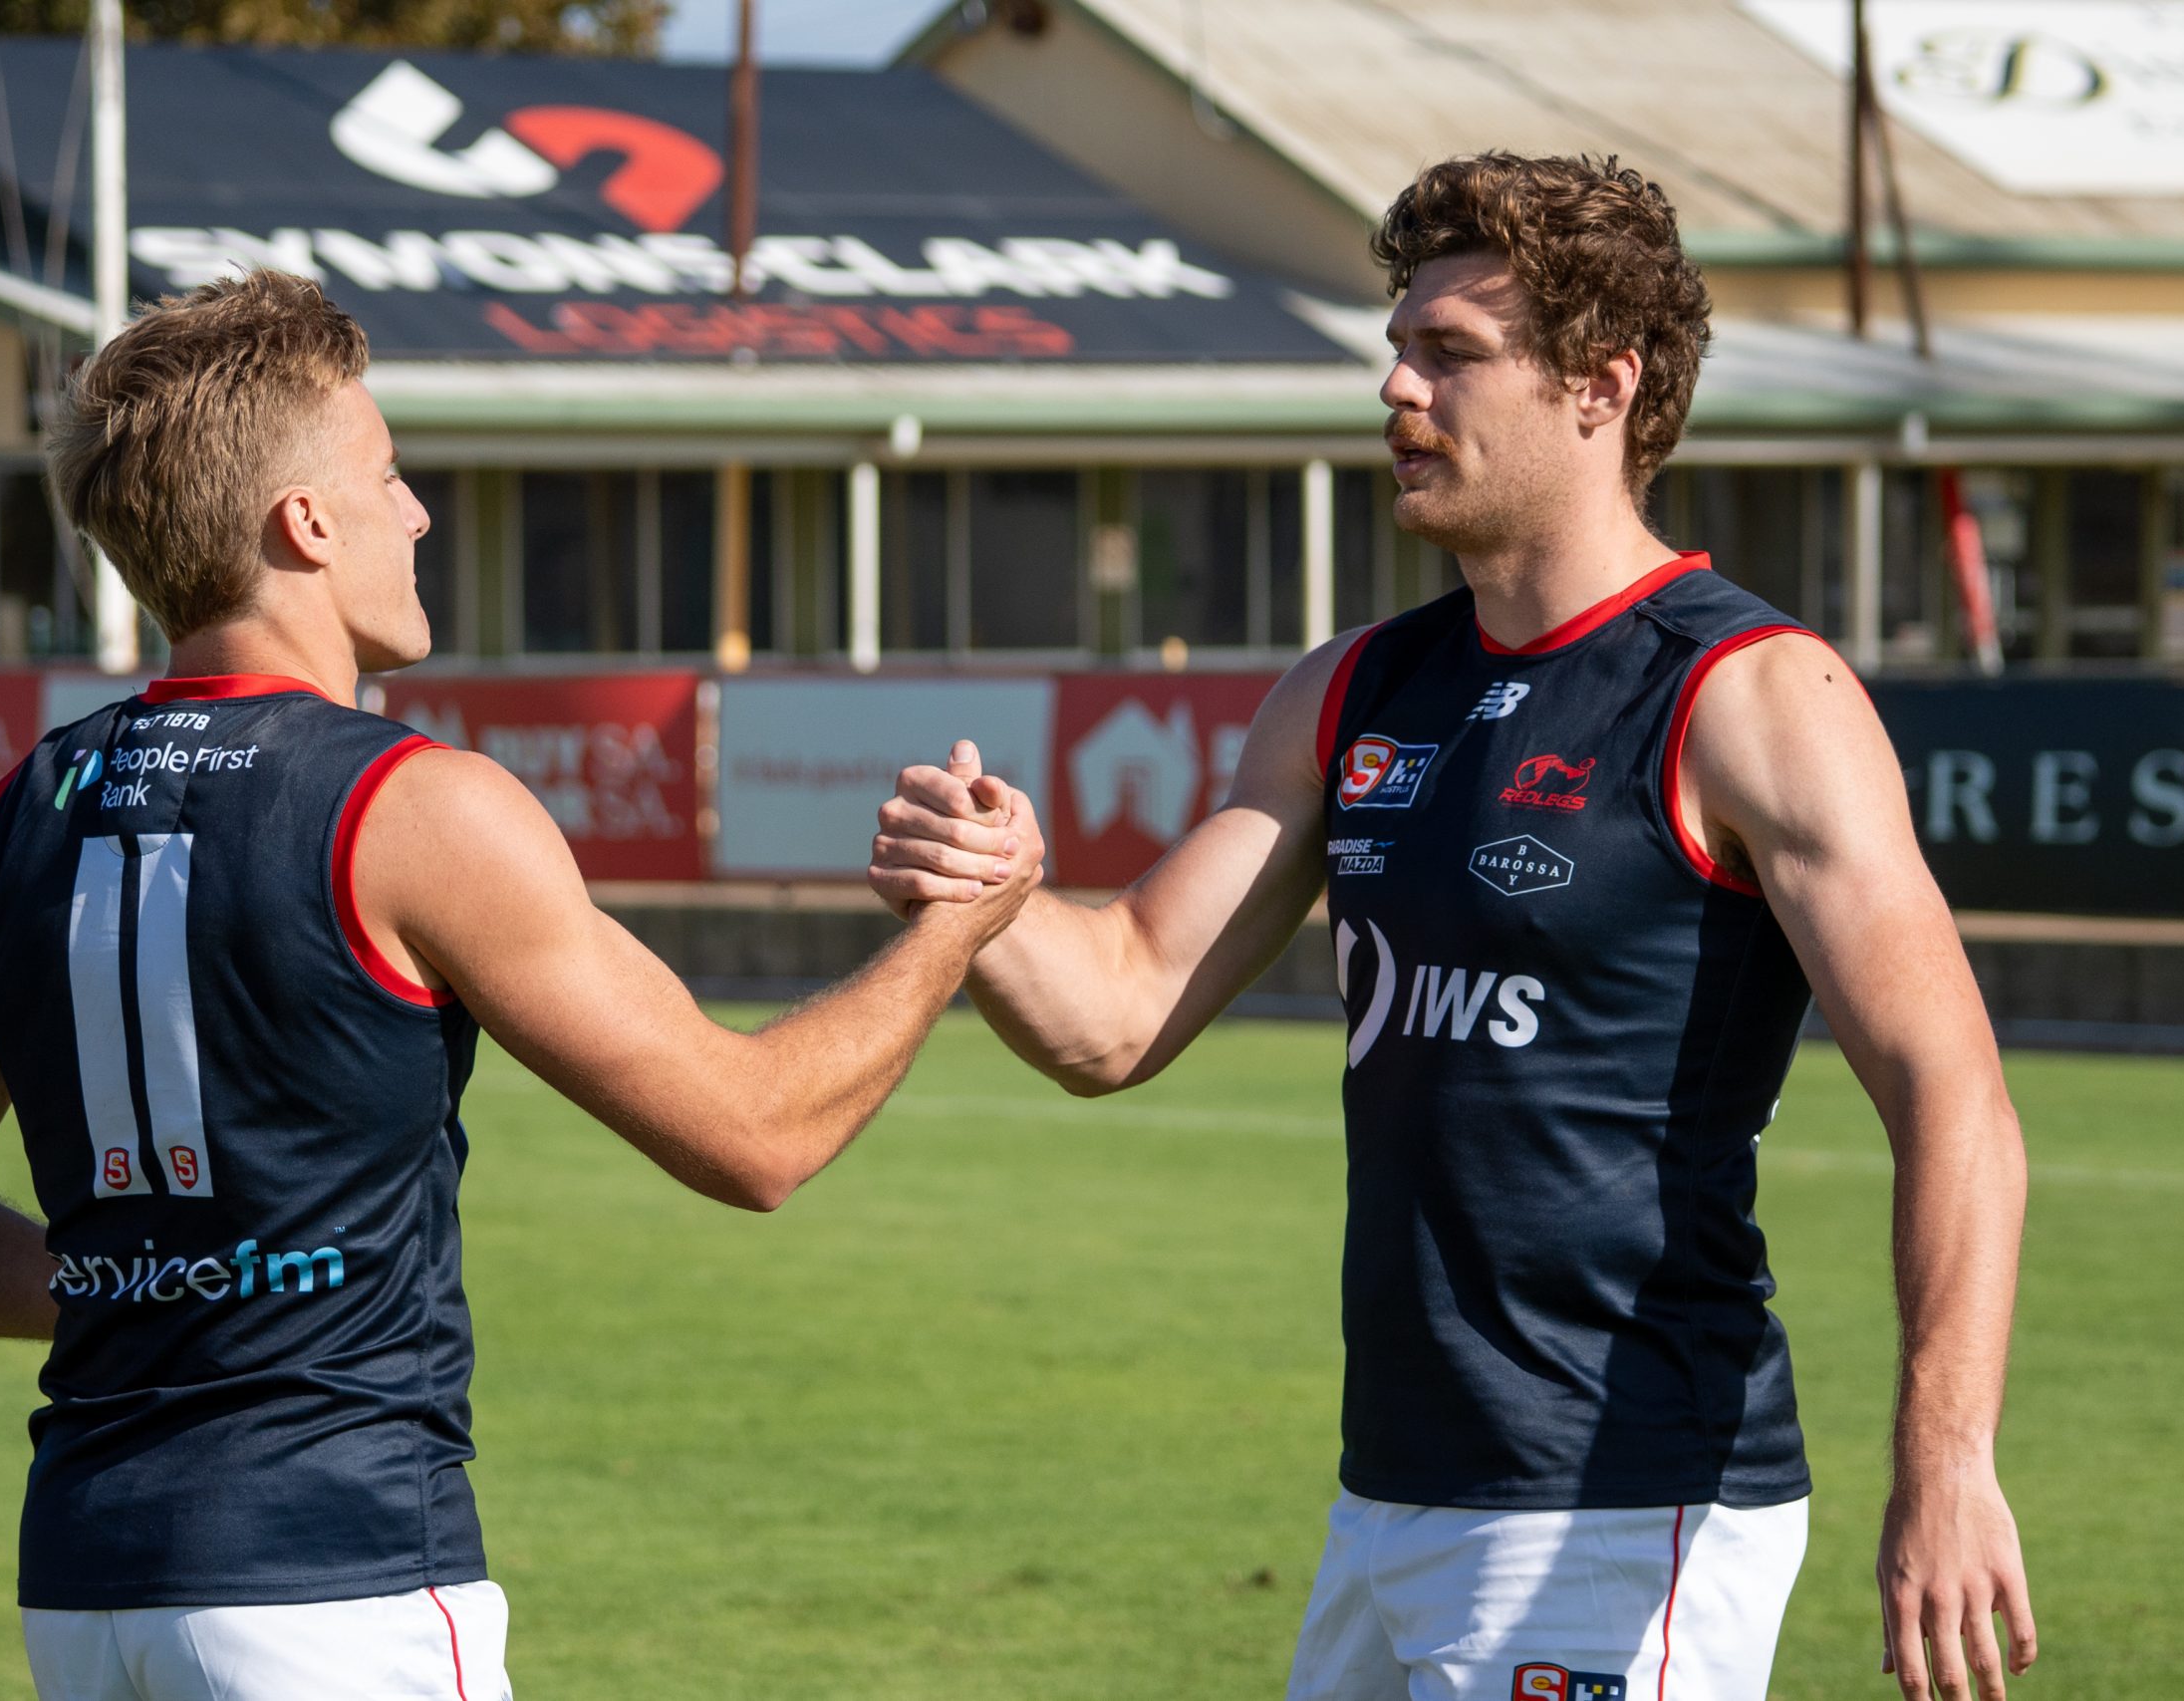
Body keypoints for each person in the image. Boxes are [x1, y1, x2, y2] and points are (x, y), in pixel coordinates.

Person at [869, 153, 2035, 1701]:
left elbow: (1955, 1099)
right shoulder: (1353, 688)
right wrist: (994, 901)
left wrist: (1948, 1461)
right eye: (1398, 344)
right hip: (1390, 1502)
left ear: (1601, 387)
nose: (1396, 387)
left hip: (1620, 1506)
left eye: (1451, 353)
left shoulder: (1753, 695)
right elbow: (1122, 1006)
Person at [0, 269, 1037, 1701]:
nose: (419, 515)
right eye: (388, 476)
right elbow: (757, 1135)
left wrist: (144, 1290)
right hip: (333, 1587)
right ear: (306, 523)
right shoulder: (415, 808)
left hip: (87, 1594)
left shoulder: (6, 821)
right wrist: (958, 925)